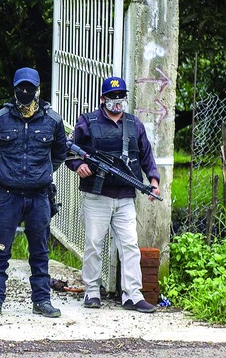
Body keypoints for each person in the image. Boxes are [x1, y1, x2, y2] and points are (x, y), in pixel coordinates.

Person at [66, 76, 160, 313]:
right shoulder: (87, 123)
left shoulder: (134, 124)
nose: (117, 101)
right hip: (97, 196)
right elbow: (68, 151)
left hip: (125, 196)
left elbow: (146, 155)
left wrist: (154, 180)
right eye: (112, 97)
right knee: (94, 245)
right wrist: (79, 166)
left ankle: (133, 295)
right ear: (102, 99)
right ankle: (92, 291)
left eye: (121, 97)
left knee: (130, 245)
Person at [0, 67, 68, 318]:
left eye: (30, 87)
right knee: (0, 249)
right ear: (14, 88)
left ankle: (41, 300)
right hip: (7, 195)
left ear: (38, 88)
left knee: (40, 251)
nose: (25, 92)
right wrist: (3, 173)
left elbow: (59, 154)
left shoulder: (53, 120)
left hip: (39, 196)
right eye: (21, 87)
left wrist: (40, 174)